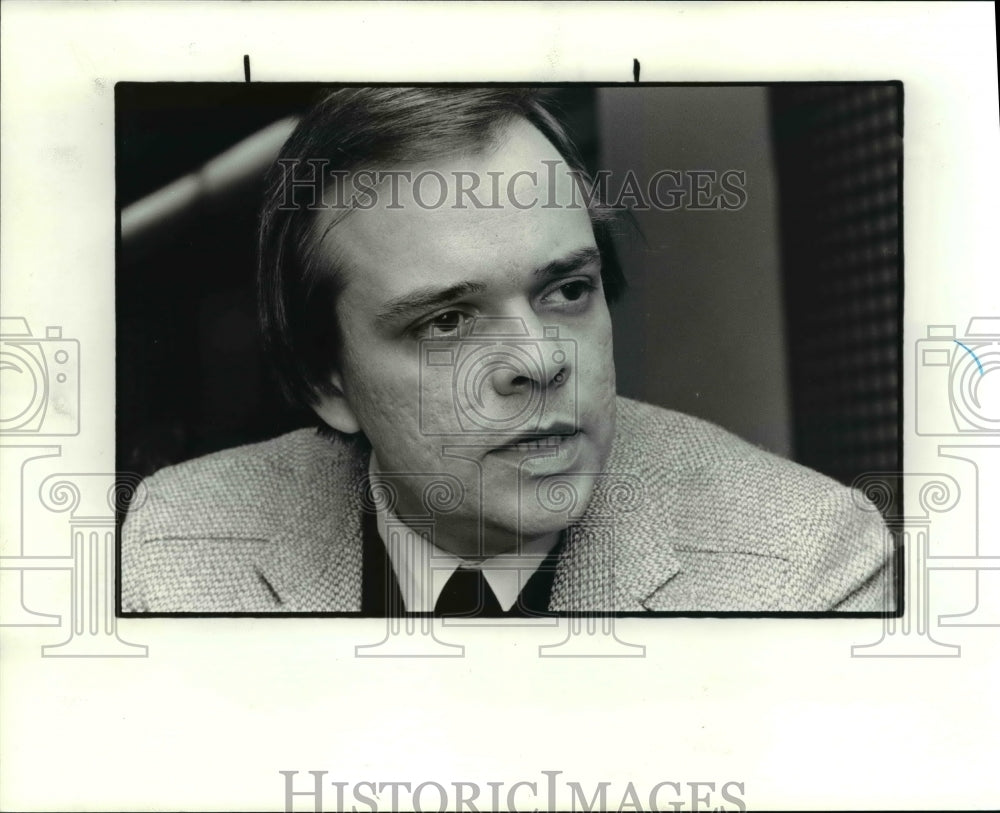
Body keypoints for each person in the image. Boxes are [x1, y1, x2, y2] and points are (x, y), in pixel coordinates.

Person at [121, 87, 895, 614]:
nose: (541, 361)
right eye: (447, 321)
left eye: (566, 291)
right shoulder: (179, 546)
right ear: (329, 381)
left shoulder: (804, 563)